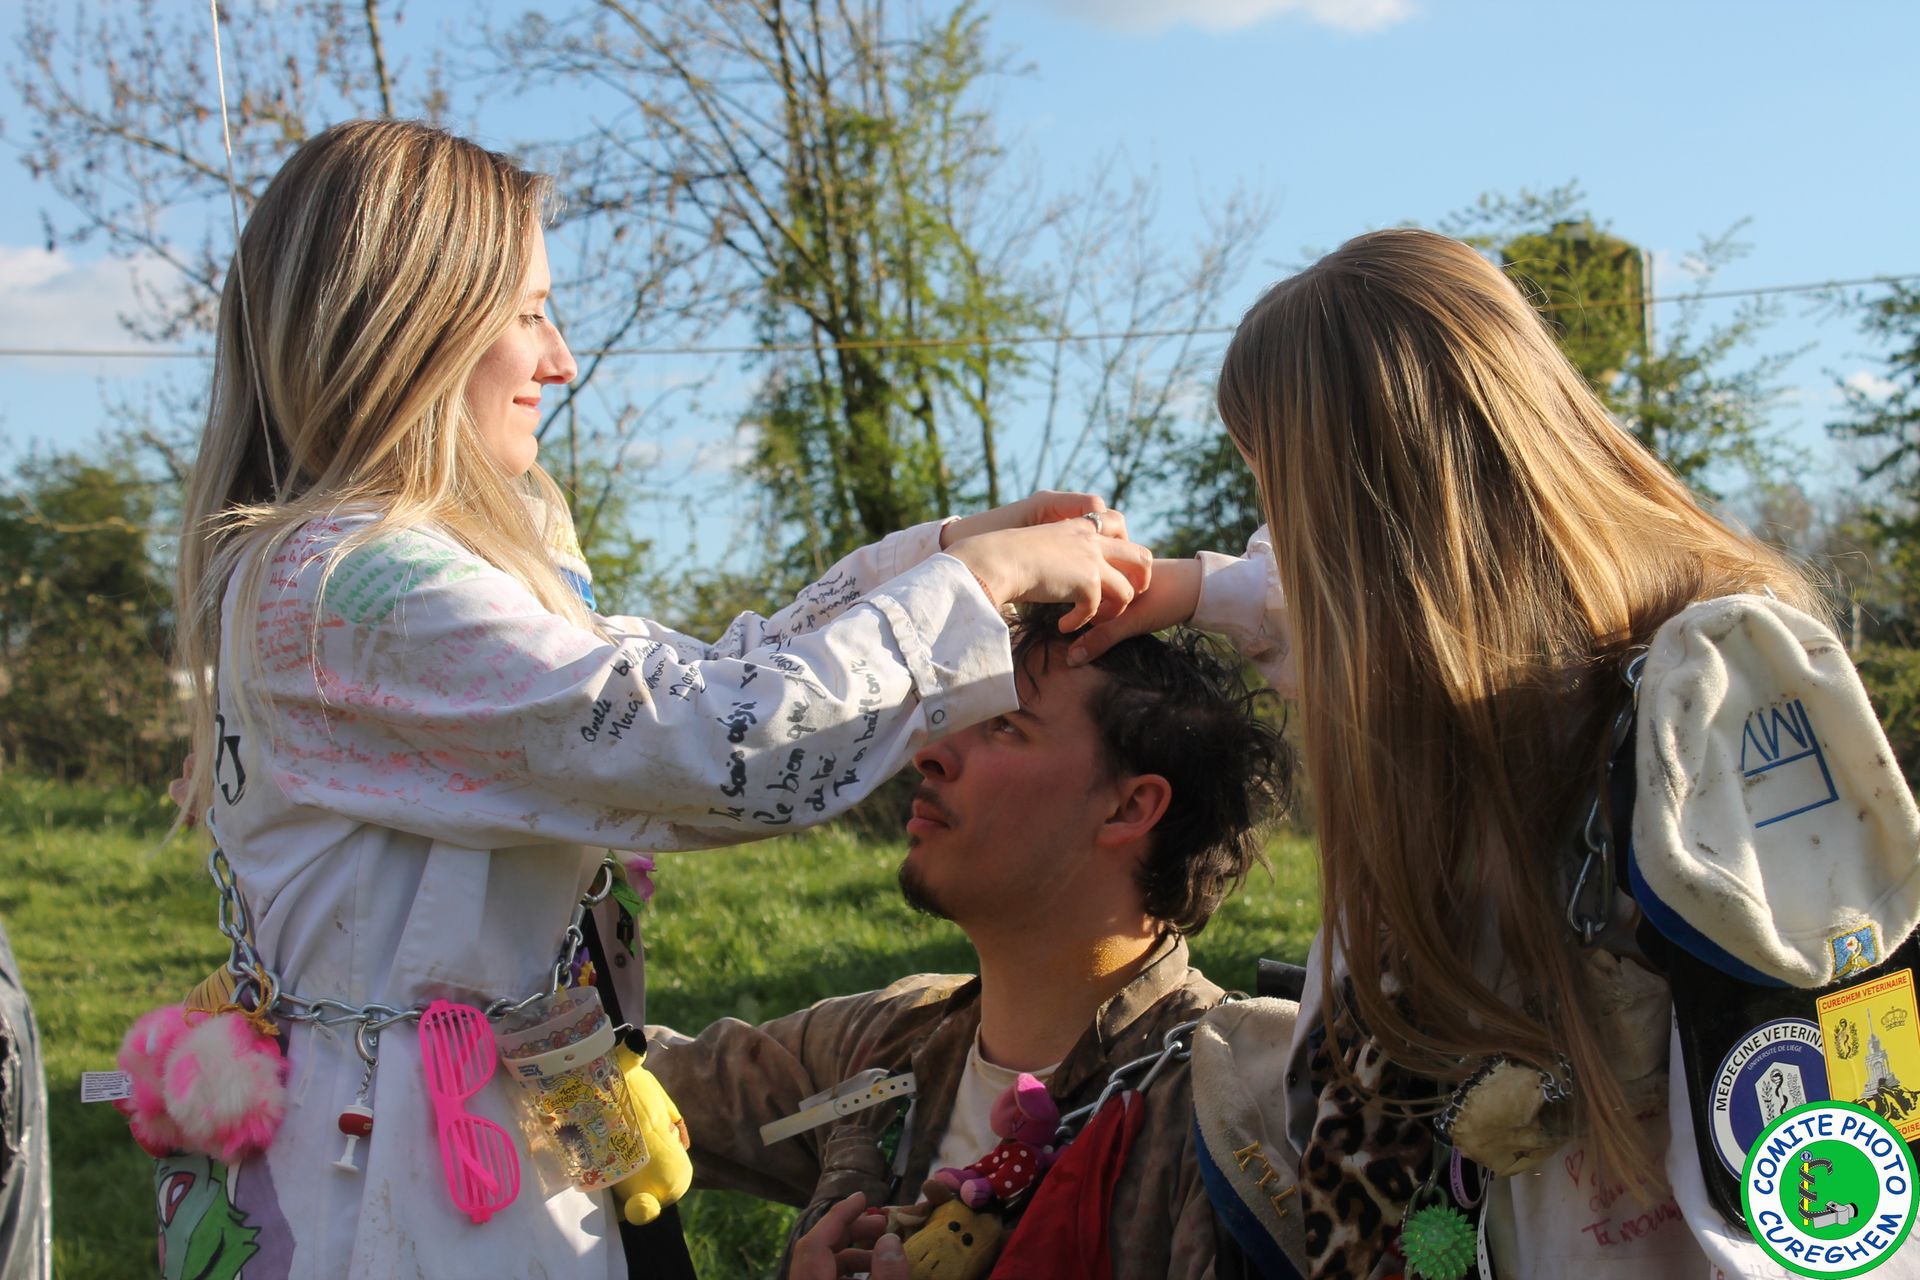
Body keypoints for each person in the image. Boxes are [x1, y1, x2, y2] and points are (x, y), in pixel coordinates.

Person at [161, 118, 1152, 1278]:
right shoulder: (362, 589)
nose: (561, 359)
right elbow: (714, 745)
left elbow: (698, 680)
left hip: (454, 1141)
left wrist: (941, 552)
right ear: (411, 329)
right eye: (529, 312)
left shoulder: (380, 575)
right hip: (405, 1190)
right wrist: (971, 586)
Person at [1076, 227, 1920, 1278]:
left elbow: (1832, 1139)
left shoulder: (1709, 693)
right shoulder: (1466, 705)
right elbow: (1298, 595)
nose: (1273, 538)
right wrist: (1168, 586)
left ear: (1362, 512)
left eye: (1279, 489)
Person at [644, 604, 1296, 1278]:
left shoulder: (1236, 1113)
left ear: (1129, 807)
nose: (929, 753)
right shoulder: (885, 1040)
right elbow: (625, 1093)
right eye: (953, 717)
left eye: (1005, 726)